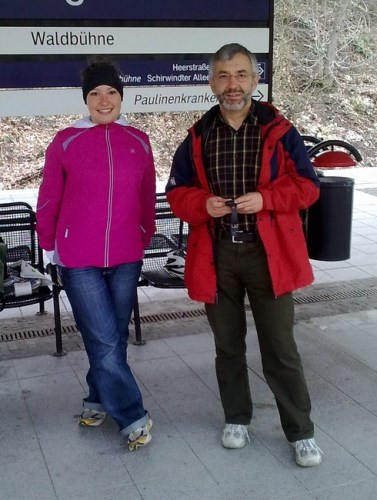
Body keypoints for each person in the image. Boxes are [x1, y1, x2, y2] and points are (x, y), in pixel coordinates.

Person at [166, 43, 323, 467]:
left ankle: (300, 431)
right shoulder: (199, 135)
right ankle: (237, 417)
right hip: (217, 254)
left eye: (240, 74)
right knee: (227, 346)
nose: (232, 84)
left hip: (268, 254)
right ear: (212, 82)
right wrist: (202, 205)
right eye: (223, 75)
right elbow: (176, 191)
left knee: (280, 347)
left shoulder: (279, 129)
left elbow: (309, 187)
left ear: (255, 80)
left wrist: (266, 198)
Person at [36, 60, 156, 451]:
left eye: (111, 93)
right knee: (104, 341)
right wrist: (50, 247)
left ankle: (95, 399)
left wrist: (144, 233)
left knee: (113, 337)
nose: (104, 101)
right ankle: (133, 416)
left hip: (125, 256)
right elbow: (49, 199)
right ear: (85, 100)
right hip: (79, 260)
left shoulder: (138, 141)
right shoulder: (66, 141)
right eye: (95, 94)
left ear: (122, 97)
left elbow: (146, 196)